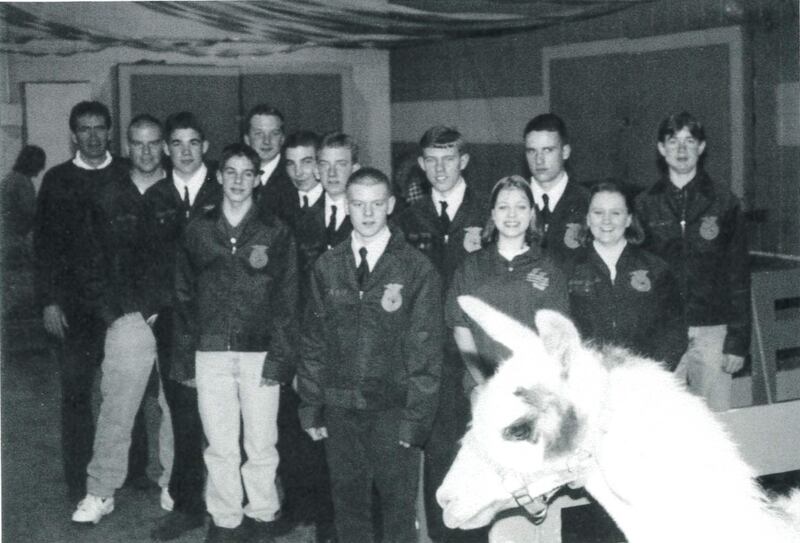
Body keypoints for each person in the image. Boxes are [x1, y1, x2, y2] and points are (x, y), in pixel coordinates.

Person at [298, 167, 443, 543]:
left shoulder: (416, 269)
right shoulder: (327, 267)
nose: (367, 213)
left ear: (391, 205)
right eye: (358, 205)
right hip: (340, 409)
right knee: (348, 509)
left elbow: (426, 352)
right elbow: (314, 342)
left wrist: (416, 422)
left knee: (398, 510)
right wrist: (311, 406)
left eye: (376, 204)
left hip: (392, 410)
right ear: (346, 207)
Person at [172, 143, 299, 543]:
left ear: (258, 179)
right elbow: (182, 296)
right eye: (231, 172)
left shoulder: (275, 231)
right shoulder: (198, 229)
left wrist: (280, 359)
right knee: (220, 442)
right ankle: (225, 519)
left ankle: (262, 514)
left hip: (259, 353)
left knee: (262, 441)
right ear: (220, 176)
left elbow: (288, 299)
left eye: (248, 173)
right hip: (209, 353)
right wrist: (184, 361)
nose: (239, 181)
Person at [70, 114, 174, 524]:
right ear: (127, 146)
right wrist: (111, 313)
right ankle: (100, 491)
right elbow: (89, 261)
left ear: (164, 145)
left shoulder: (178, 192)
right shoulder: (108, 195)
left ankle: (173, 480)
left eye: (153, 143)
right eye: (138, 143)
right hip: (127, 316)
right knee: (117, 406)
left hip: (172, 316)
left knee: (175, 405)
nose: (146, 151)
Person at [33, 101, 133, 504]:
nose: (92, 136)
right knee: (76, 392)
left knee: (128, 391)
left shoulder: (126, 173)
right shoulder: (57, 179)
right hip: (73, 308)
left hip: (122, 305)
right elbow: (44, 245)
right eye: (84, 129)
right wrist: (49, 302)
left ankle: (133, 471)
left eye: (99, 128)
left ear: (110, 131)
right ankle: (79, 476)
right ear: (73, 134)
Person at [394, 125, 487, 543]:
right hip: (427, 352)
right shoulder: (407, 217)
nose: (440, 168)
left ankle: (478, 534)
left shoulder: (486, 211)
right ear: (420, 164)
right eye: (431, 159)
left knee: (480, 446)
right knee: (436, 449)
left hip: (476, 351)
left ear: (464, 161)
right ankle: (440, 535)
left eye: (448, 158)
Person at [275, 130, 359, 543]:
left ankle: (341, 526)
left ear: (354, 167)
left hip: (355, 352)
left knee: (348, 446)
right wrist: (291, 361)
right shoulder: (301, 222)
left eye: (340, 164)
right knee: (307, 437)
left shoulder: (369, 216)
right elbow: (290, 294)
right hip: (310, 351)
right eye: (323, 164)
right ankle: (314, 516)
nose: (331, 173)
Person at [635, 112, 750, 411]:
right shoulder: (645, 205)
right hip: (663, 331)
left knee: (717, 422)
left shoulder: (725, 203)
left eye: (690, 141)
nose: (682, 149)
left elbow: (738, 275)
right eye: (673, 141)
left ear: (702, 147)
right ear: (661, 148)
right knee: (661, 420)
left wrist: (737, 340)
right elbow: (636, 273)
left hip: (713, 330)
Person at [147, 111, 222, 541]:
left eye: (194, 142)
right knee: (182, 415)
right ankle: (188, 505)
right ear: (166, 149)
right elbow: (139, 259)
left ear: (205, 146)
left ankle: (233, 506)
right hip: (173, 325)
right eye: (177, 143)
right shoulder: (155, 197)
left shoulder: (226, 187)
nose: (186, 151)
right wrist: (154, 311)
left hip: (220, 324)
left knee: (228, 417)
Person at [447, 175, 569, 385]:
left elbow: (556, 336)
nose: (512, 214)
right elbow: (461, 331)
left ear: (531, 213)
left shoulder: (550, 268)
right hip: (481, 388)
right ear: (493, 214)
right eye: (503, 207)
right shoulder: (470, 267)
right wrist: (485, 385)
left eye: (521, 207)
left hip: (535, 389)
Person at [569, 181, 686, 370]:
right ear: (588, 219)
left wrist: (652, 373)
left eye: (616, 213)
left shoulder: (657, 269)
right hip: (589, 380)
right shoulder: (569, 270)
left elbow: (674, 331)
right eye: (598, 213)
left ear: (629, 219)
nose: (606, 220)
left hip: (644, 381)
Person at [523, 113, 589, 275]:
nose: (539, 160)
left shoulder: (589, 204)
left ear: (565, 152)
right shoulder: (510, 203)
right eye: (532, 151)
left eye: (548, 150)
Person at [243, 104, 296, 221]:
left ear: (282, 139)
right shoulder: (237, 175)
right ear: (247, 139)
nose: (266, 141)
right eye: (259, 133)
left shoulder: (294, 175)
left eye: (274, 133)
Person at [1, 144, 45, 267]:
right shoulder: (22, 182)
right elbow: (32, 213)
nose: (41, 168)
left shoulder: (9, 178)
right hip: (16, 243)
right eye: (40, 164)